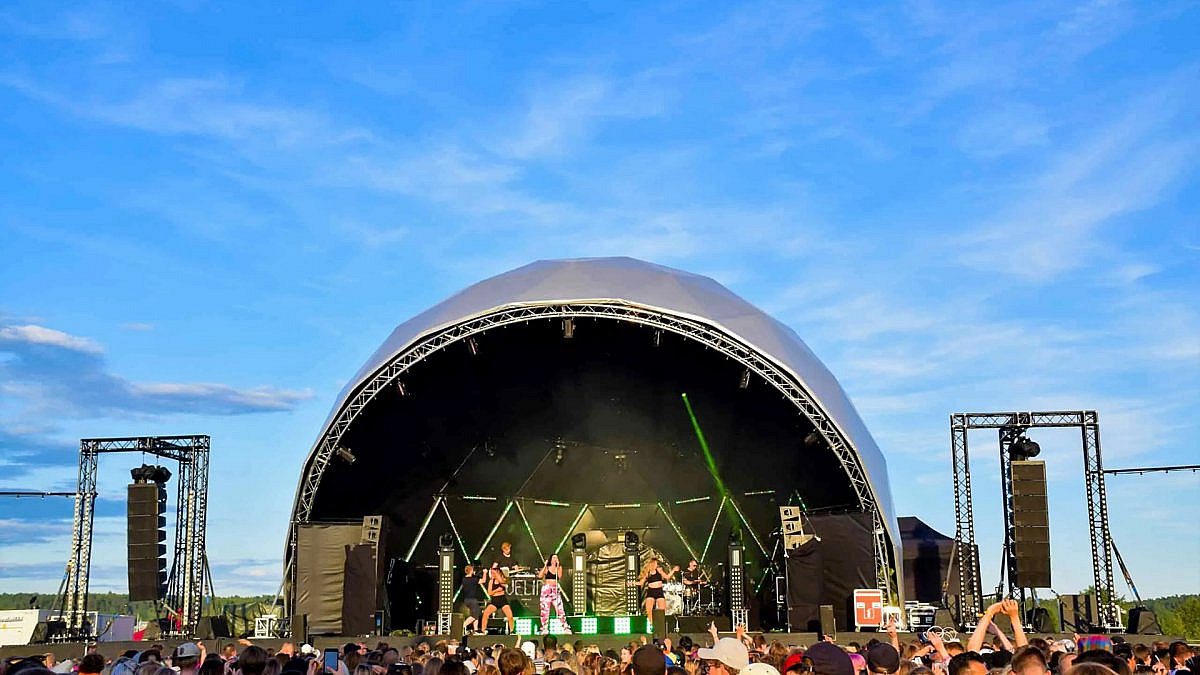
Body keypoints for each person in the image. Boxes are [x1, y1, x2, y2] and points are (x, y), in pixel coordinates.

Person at [633, 558, 679, 622]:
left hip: (659, 591)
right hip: (651, 591)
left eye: (656, 564)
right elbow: (641, 583)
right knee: (649, 610)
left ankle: (661, 624)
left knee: (662, 610)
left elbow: (667, 577)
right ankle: (651, 624)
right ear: (652, 564)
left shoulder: (659, 570)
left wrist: (673, 570)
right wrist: (632, 583)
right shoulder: (648, 573)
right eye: (655, 564)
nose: (656, 565)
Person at [537, 555, 571, 635]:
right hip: (547, 589)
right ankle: (544, 627)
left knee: (560, 608)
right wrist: (545, 565)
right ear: (550, 559)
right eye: (554, 558)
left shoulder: (559, 568)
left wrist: (558, 565)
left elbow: (559, 576)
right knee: (545, 609)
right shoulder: (547, 568)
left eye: (556, 558)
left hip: (555, 589)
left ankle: (565, 627)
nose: (555, 559)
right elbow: (540, 576)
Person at [481, 564, 515, 634]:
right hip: (494, 600)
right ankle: (483, 630)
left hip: (502, 600)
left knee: (510, 616)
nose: (493, 574)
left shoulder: (503, 580)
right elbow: (489, 593)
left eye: (494, 573)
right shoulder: (491, 581)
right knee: (485, 614)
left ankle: (512, 631)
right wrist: (497, 590)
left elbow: (502, 582)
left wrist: (496, 573)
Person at [462, 564, 486, 635]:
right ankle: (462, 626)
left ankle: (475, 630)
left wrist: (474, 575)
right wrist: (485, 573)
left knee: (476, 614)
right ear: (471, 571)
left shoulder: (464, 579)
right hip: (472, 600)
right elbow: (483, 580)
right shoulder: (473, 580)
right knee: (476, 615)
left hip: (467, 600)